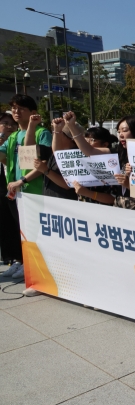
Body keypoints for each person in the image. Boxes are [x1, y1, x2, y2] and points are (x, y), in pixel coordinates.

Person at [0, 95, 52, 288]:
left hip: (34, 190)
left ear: (32, 112)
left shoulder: (41, 133)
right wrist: (1, 134)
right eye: (13, 108)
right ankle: (22, 262)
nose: (15, 111)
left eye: (21, 108)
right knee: (20, 230)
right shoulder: (13, 137)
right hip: (16, 192)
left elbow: (41, 164)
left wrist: (21, 181)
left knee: (34, 231)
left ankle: (34, 268)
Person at [33, 117, 82, 201]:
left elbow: (67, 184)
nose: (54, 135)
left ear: (70, 138)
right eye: (54, 132)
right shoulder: (54, 152)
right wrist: (32, 125)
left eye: (59, 133)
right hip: (50, 202)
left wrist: (45, 170)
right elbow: (28, 147)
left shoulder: (76, 156)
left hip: (64, 204)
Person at [0, 113, 21, 270]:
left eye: (12, 124)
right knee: (4, 224)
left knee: (15, 223)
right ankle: (9, 257)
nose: (9, 126)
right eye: (5, 123)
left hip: (13, 187)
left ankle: (18, 258)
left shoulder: (16, 141)